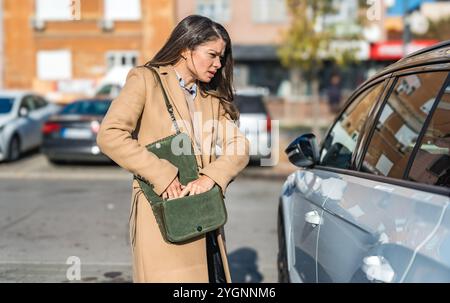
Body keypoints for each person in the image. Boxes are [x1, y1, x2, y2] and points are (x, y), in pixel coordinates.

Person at [96, 15, 250, 283]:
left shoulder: (209, 96)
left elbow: (239, 145)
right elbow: (110, 134)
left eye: (221, 57)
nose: (218, 64)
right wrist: (162, 174)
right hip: (164, 214)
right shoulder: (145, 80)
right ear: (185, 48)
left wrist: (212, 177)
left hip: (204, 216)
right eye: (212, 54)